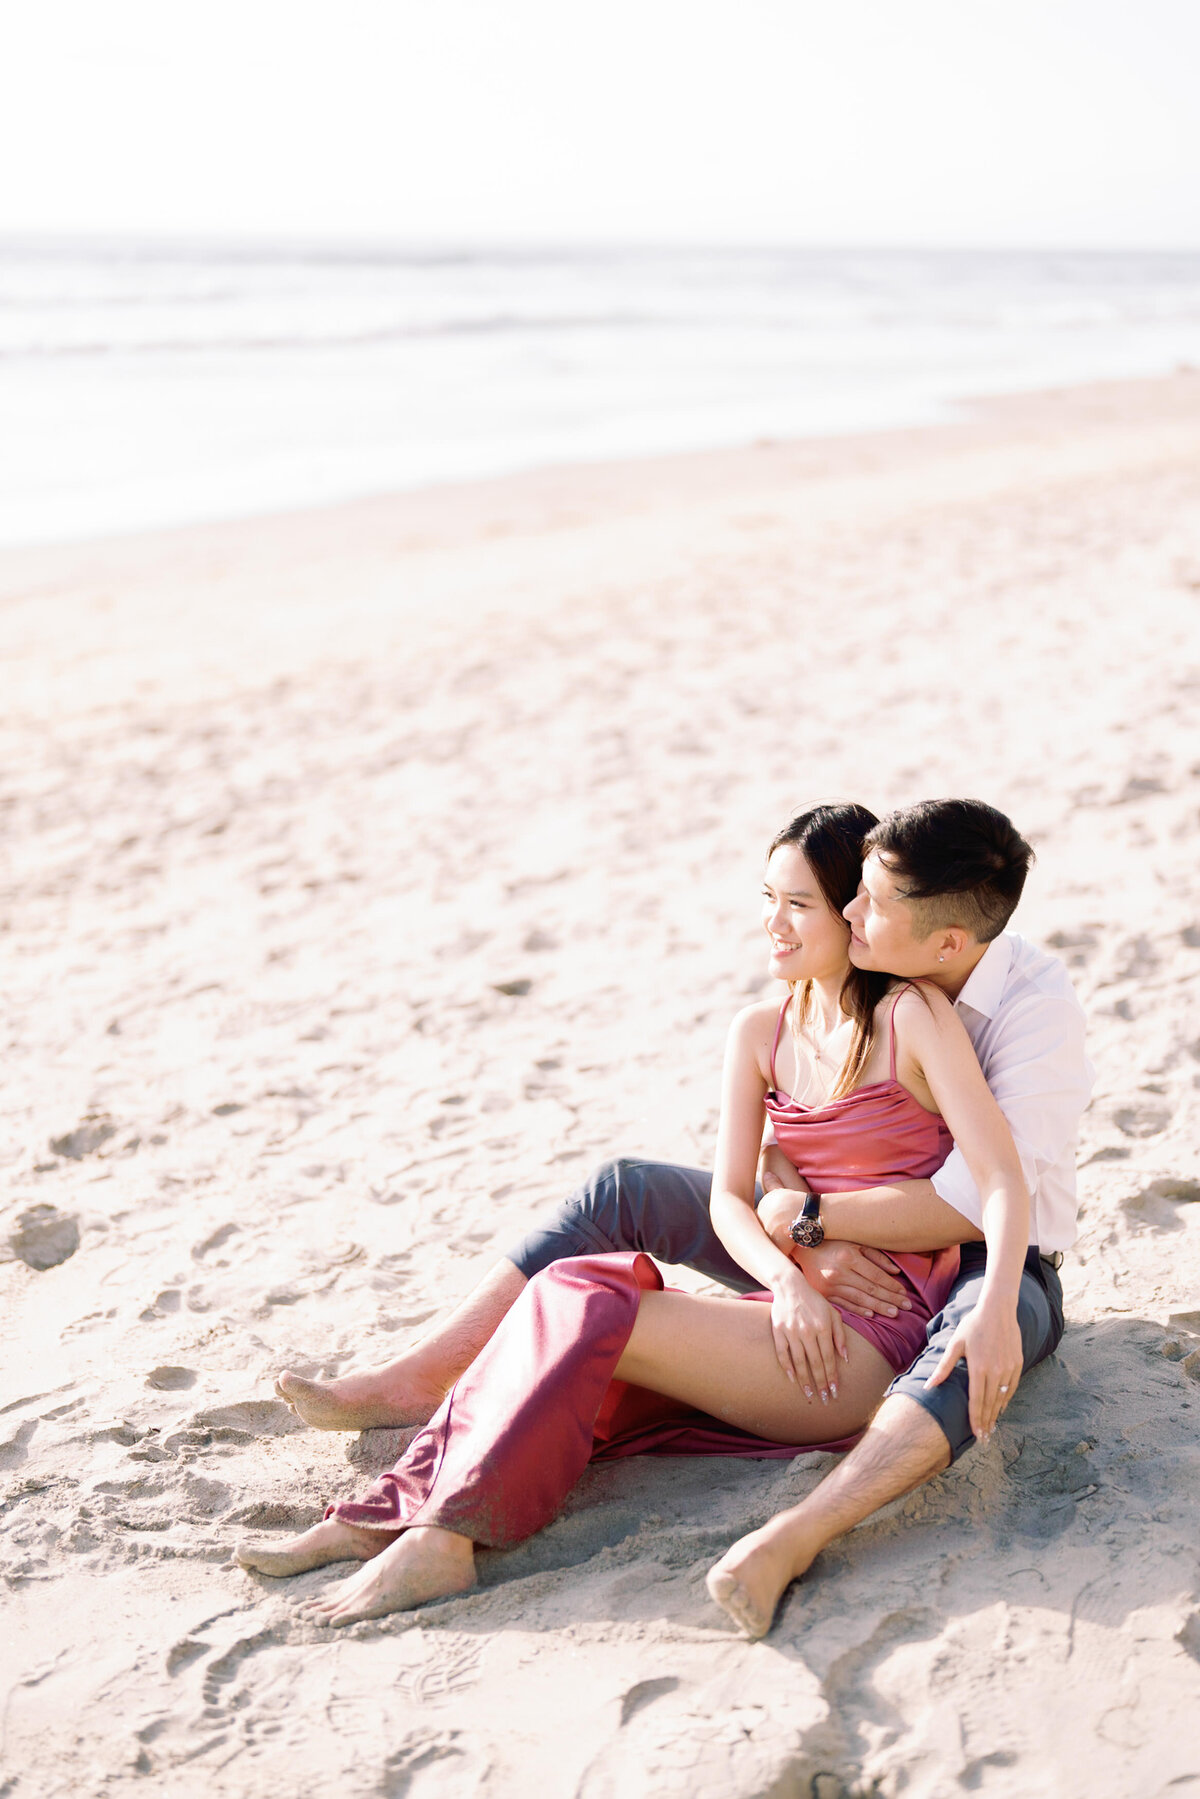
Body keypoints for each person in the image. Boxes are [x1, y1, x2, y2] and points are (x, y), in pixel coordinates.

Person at [238, 803, 1038, 1627]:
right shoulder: (760, 1032)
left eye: (798, 904)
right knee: (560, 1306)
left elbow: (1002, 1179)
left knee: (574, 1299)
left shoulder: (911, 1017)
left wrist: (1000, 1303)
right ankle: (384, 1518)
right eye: (768, 896)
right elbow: (732, 1200)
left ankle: (439, 1539)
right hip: (787, 1314)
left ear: (848, 911)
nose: (773, 922)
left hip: (865, 1342)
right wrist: (787, 1277)